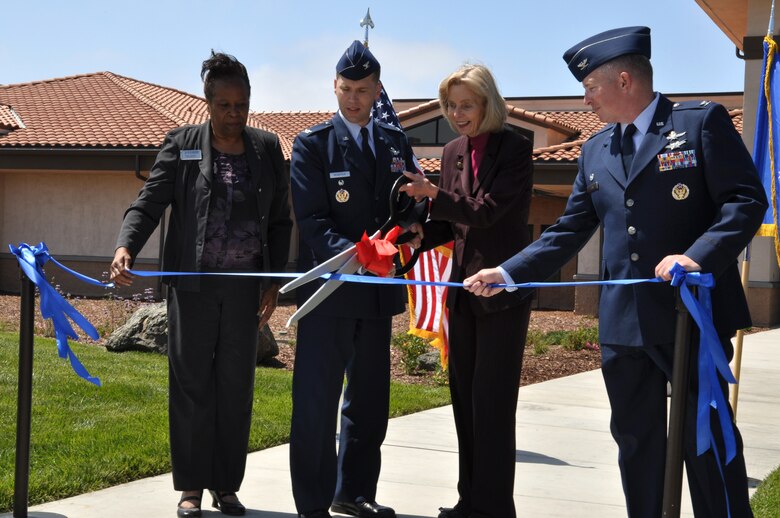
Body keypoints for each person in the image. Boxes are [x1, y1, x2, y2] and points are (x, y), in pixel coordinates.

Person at [464, 27, 767, 518]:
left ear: (624, 80)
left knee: (705, 441)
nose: (586, 101)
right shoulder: (596, 150)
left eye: (591, 89)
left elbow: (746, 201)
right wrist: (509, 271)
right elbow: (568, 231)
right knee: (636, 442)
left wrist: (696, 256)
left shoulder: (699, 124)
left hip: (690, 317)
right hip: (624, 324)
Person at [110, 51, 292, 517]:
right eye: (224, 105)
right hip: (192, 288)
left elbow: (279, 221)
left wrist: (270, 283)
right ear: (207, 102)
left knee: (236, 387)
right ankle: (190, 488)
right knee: (191, 384)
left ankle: (226, 486)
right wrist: (125, 245)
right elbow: (148, 203)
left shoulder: (267, 148)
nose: (234, 115)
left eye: (242, 105)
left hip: (244, 290)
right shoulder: (182, 143)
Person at [287, 40, 417, 518]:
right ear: (335, 87)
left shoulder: (394, 142)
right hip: (331, 289)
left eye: (363, 90)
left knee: (369, 403)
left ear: (378, 90)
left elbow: (406, 203)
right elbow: (314, 220)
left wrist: (415, 223)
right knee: (316, 403)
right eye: (346, 89)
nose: (354, 99)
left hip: (379, 292)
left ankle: (354, 491)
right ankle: (313, 502)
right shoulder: (312, 144)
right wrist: (361, 254)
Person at [398, 64, 533, 518]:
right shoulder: (454, 150)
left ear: (487, 104)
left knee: (493, 407)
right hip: (461, 292)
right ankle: (469, 502)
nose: (457, 114)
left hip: (501, 295)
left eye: (466, 105)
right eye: (451, 105)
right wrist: (423, 233)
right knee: (465, 404)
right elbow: (453, 222)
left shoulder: (515, 148)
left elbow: (488, 212)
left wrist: (434, 193)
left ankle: (495, 508)